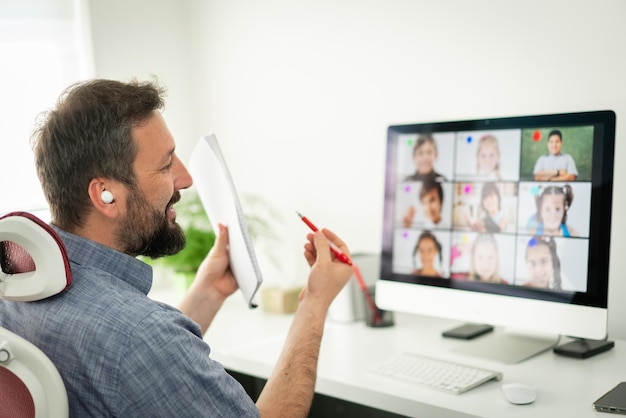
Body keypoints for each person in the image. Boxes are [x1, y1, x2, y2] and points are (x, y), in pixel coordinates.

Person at [0, 79, 353, 417]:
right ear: (105, 195)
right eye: (166, 164)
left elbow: (126, 372)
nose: (184, 178)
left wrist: (209, 293)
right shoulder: (141, 335)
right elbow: (138, 344)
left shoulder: (17, 290)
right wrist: (314, 302)